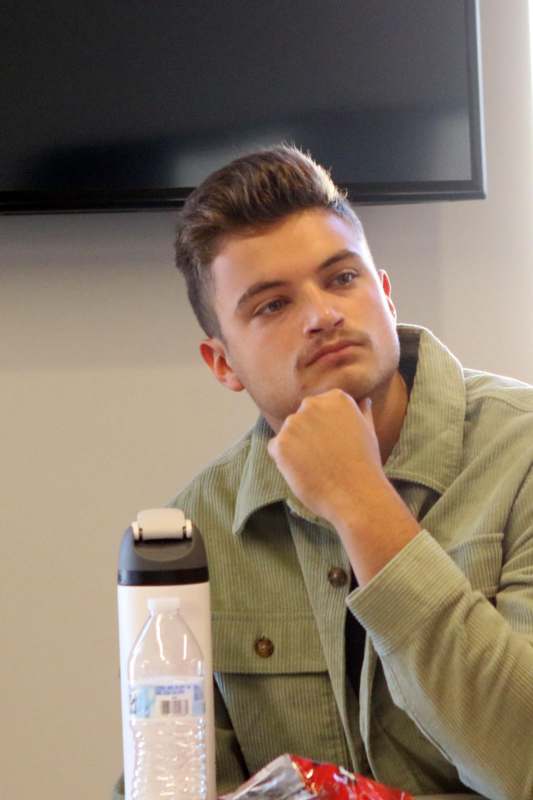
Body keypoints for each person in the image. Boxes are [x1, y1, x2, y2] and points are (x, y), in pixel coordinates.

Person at [114, 145, 533, 800]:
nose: (322, 315)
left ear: (385, 295)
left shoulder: (523, 452)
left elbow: (524, 759)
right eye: (272, 305)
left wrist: (360, 500)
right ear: (221, 364)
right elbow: (170, 779)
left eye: (341, 279)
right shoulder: (200, 531)